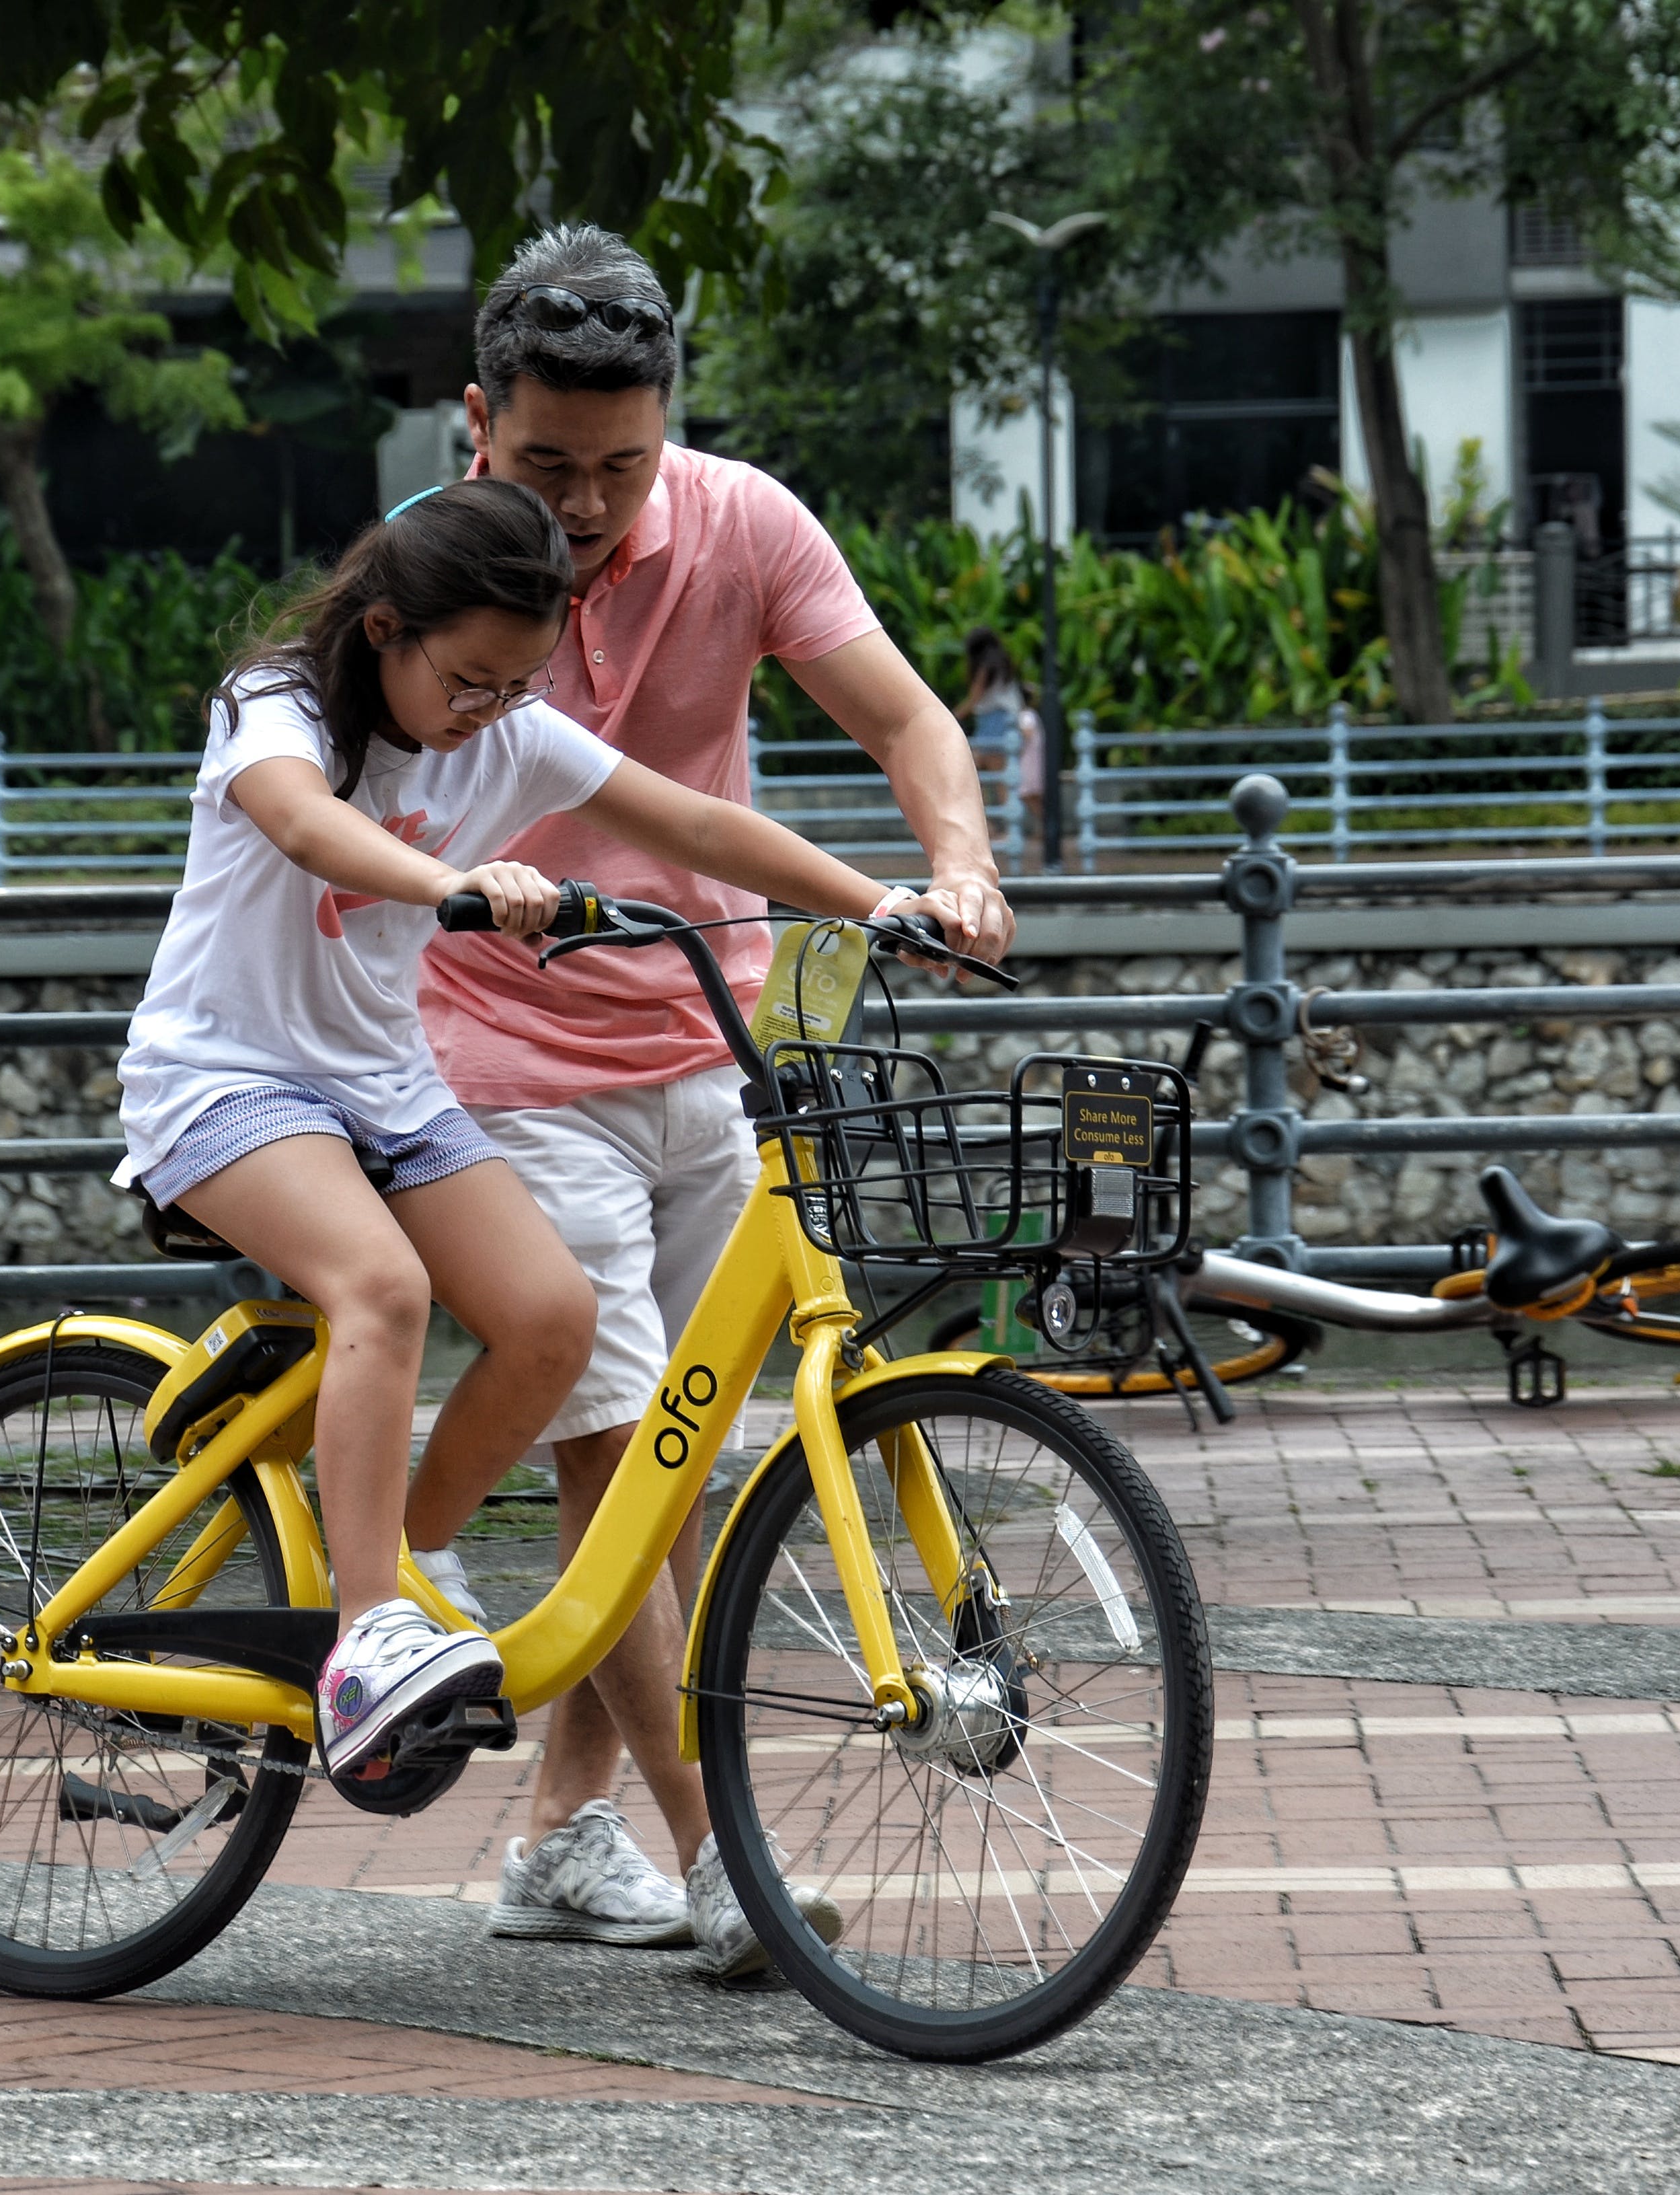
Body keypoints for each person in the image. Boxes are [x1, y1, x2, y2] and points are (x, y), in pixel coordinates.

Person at [401, 225, 1013, 1977]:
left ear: (670, 430)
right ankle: (715, 1844)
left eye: (621, 465)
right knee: (618, 1448)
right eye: (545, 466)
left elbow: (904, 716)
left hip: (708, 1045)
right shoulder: (435, 568)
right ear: (475, 424)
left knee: (665, 1477)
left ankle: (557, 1839)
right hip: (500, 1059)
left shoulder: (745, 524)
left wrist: (952, 867)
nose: (585, 505)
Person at [112, 476, 913, 1801]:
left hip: (381, 1080)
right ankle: (368, 1633)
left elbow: (702, 826)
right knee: (383, 1284)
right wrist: (452, 882)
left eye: (516, 682)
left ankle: (401, 1558)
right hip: (225, 1076)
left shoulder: (509, 734)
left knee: (554, 1319)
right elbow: (306, 822)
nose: (489, 709)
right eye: (469, 679)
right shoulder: (276, 702)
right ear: (384, 630)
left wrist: (885, 898)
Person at [957, 626, 1042, 869]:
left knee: (995, 779)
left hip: (995, 723)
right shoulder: (1001, 664)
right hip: (998, 722)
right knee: (980, 774)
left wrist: (951, 716)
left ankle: (1005, 829)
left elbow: (974, 699)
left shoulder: (985, 668)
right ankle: (996, 828)